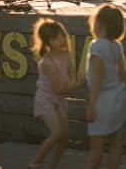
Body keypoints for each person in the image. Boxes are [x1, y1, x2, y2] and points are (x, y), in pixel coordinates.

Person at [29, 18, 83, 169]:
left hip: (59, 99)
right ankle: (35, 163)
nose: (61, 39)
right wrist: (76, 83)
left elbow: (71, 76)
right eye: (56, 38)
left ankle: (53, 166)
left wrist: (73, 83)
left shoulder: (66, 55)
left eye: (62, 35)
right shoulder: (47, 62)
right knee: (57, 132)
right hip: (45, 99)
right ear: (47, 42)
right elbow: (59, 88)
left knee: (64, 136)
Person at [85, 4, 126, 169]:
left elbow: (97, 78)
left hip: (102, 100)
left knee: (96, 148)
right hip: (116, 98)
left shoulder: (97, 46)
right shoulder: (116, 46)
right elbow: (124, 76)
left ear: (99, 25)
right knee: (115, 143)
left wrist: (91, 105)